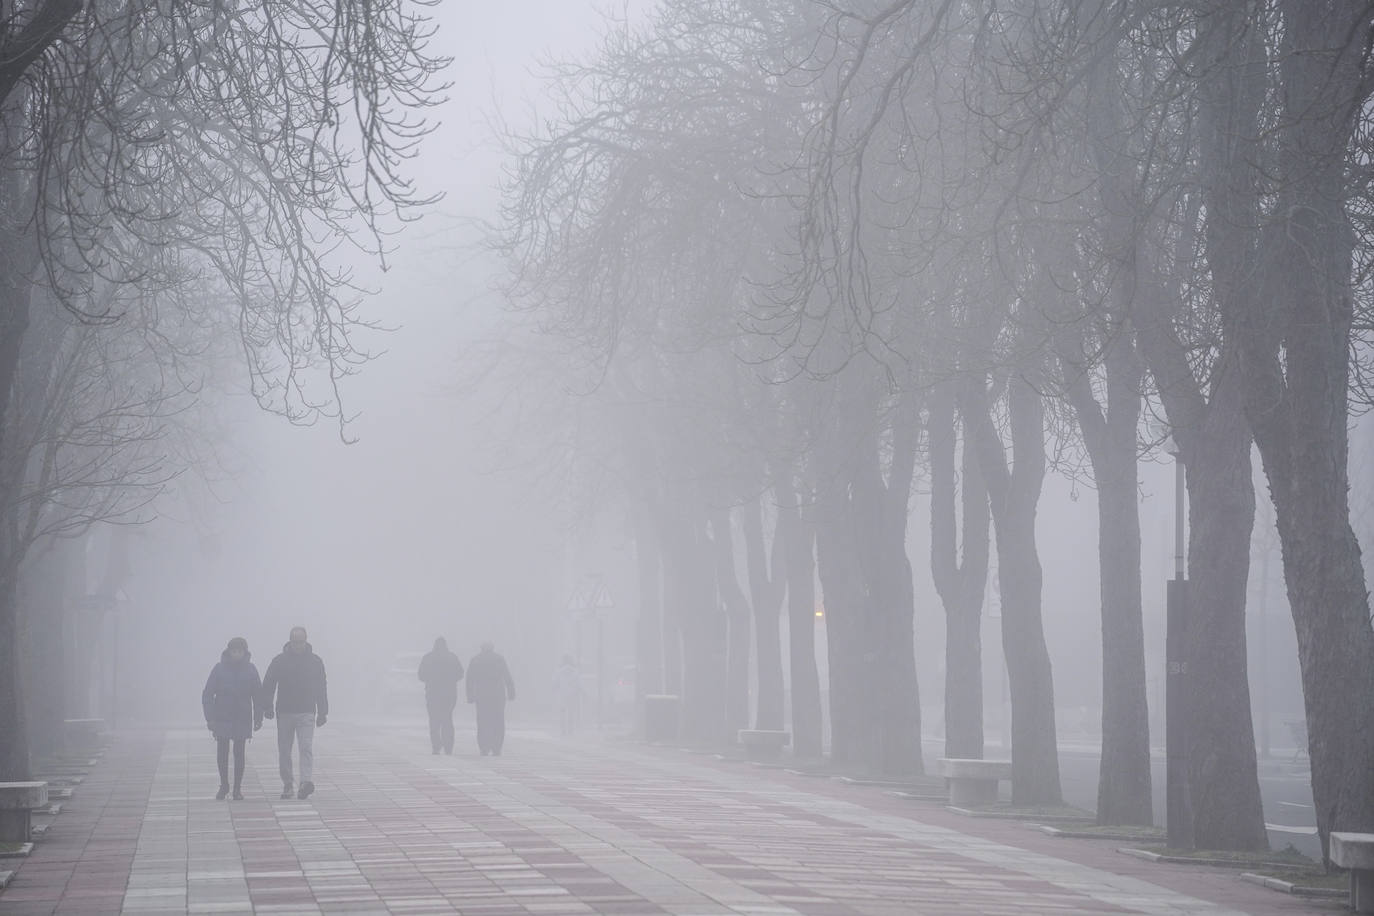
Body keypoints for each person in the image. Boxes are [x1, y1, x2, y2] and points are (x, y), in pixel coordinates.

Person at [261, 626, 328, 799]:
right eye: (295, 642)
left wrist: (323, 711)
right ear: (290, 641)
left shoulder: (315, 662)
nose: (298, 645)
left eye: (301, 642)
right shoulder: (279, 661)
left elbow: (321, 687)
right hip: (285, 712)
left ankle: (305, 783)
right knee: (284, 750)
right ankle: (288, 783)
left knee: (305, 747)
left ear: (306, 641)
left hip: (306, 711)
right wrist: (267, 706)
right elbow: (268, 684)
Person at [202, 636, 263, 800]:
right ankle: (224, 785)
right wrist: (210, 718)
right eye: (234, 651)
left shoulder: (251, 670)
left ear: (245, 652)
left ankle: (237, 788)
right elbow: (207, 694)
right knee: (222, 752)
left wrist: (259, 717)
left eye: (240, 651)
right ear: (229, 651)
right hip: (222, 717)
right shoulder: (219, 669)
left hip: (242, 717)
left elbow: (258, 695)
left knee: (239, 753)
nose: (237, 654)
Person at [465, 641, 515, 755]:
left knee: (483, 721)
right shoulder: (499, 659)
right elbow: (507, 676)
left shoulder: (476, 660)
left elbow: (469, 679)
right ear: (493, 648)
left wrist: (470, 696)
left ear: (481, 648)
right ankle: (496, 747)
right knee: (498, 721)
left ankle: (484, 747)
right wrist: (511, 693)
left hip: (482, 696)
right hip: (498, 696)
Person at [417, 637, 464, 754]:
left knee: (434, 720)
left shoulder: (427, 658)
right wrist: (451, 680)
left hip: (433, 693)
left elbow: (421, 675)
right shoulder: (452, 657)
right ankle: (448, 746)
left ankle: (436, 746)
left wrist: (430, 679)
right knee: (447, 719)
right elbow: (460, 673)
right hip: (449, 694)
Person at [552, 654, 581, 736]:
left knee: (562, 712)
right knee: (571, 712)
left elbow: (555, 682)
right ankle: (570, 730)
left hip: (562, 694)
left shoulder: (559, 671)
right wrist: (577, 691)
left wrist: (555, 690)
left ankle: (563, 730)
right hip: (572, 695)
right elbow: (578, 683)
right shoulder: (575, 671)